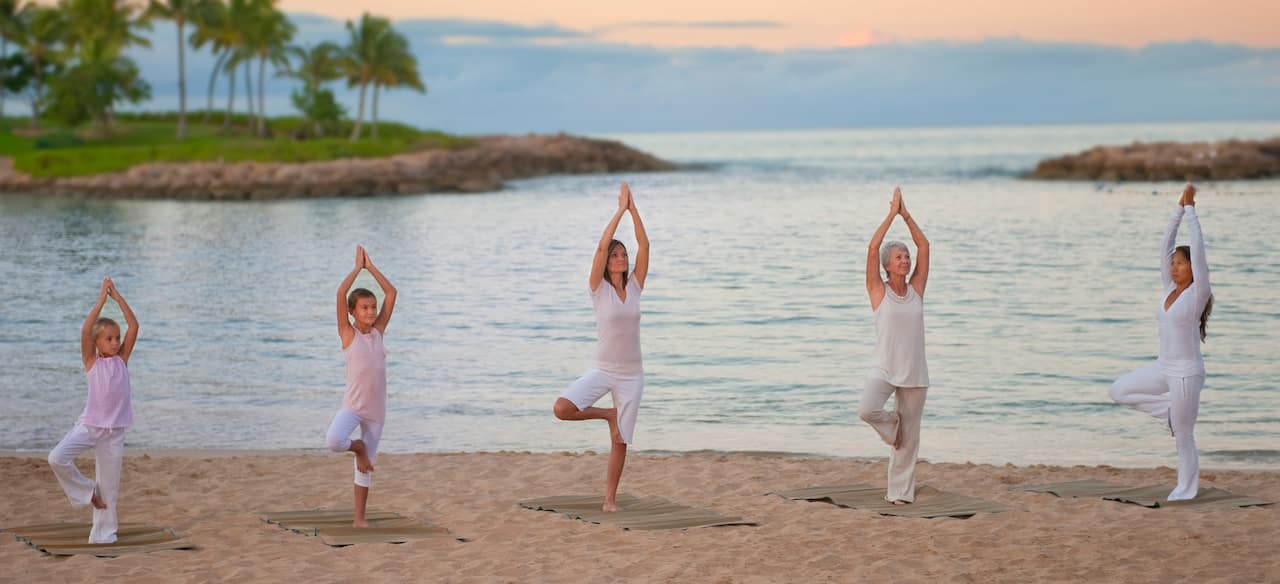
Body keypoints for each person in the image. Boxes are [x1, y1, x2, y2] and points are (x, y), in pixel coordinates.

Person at [1110, 183, 1213, 501]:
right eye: (1173, 264)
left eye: (1180, 263)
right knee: (1119, 390)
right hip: (1163, 367)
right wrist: (1178, 209)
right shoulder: (1169, 288)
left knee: (1184, 436)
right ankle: (1167, 413)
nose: (1174, 266)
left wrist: (1192, 211)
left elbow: (1197, 248)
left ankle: (1186, 489)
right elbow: (1164, 246)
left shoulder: (1198, 294)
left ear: (1193, 269)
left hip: (1186, 373)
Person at [553, 182, 650, 512]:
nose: (621, 258)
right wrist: (619, 211)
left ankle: (609, 500)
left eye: (624, 254)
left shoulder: (635, 286)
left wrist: (634, 210)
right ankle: (607, 414)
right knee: (562, 408)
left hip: (632, 375)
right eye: (615, 255)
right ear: (607, 263)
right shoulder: (598, 289)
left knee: (621, 440)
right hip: (604, 370)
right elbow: (599, 248)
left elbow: (645, 244)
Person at [48, 276, 140, 543]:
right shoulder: (91, 362)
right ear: (97, 343)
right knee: (56, 457)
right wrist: (101, 300)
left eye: (116, 338)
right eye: (109, 338)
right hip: (90, 426)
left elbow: (134, 325)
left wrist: (118, 297)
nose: (114, 342)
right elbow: (85, 330)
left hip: (114, 432)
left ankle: (104, 535)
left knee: (109, 487)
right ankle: (88, 492)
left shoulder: (122, 360)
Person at [858, 187, 931, 504]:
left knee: (909, 441)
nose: (906, 260)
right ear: (888, 265)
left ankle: (900, 494)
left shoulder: (916, 288)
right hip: (885, 367)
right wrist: (890, 215)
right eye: (899, 257)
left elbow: (925, 246)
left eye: (906, 257)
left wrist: (907, 214)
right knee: (867, 409)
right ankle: (891, 427)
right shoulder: (878, 290)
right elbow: (872, 248)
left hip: (914, 370)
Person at [326, 245, 397, 526]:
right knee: (334, 441)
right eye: (364, 308)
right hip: (353, 407)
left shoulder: (378, 333)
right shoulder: (348, 334)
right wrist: (357, 269)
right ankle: (358, 449)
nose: (370, 312)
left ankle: (359, 518)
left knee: (366, 469)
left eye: (373, 307)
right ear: (352, 312)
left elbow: (391, 293)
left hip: (376, 411)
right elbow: (340, 294)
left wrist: (372, 267)